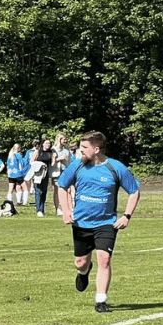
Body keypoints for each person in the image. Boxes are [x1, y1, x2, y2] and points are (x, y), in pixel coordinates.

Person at [57, 131, 142, 313]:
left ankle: (101, 300)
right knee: (80, 262)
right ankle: (83, 272)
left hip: (106, 223)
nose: (81, 151)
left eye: (84, 148)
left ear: (96, 149)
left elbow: (134, 191)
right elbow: (61, 187)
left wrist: (126, 216)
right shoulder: (77, 166)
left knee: (104, 259)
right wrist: (66, 211)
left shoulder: (116, 167)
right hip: (81, 223)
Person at [30, 139, 54, 216]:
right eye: (46, 143)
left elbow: (52, 164)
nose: (48, 145)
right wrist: (40, 164)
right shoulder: (38, 152)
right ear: (42, 144)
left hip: (46, 173)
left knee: (44, 191)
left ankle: (42, 209)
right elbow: (31, 161)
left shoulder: (50, 153)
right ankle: (39, 210)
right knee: (38, 191)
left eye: (49, 143)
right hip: (38, 173)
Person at [50, 134, 73, 212]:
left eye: (66, 139)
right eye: (64, 139)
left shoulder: (67, 151)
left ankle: (67, 208)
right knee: (57, 190)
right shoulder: (53, 149)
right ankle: (58, 208)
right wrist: (59, 159)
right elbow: (51, 162)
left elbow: (69, 162)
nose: (65, 141)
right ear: (59, 140)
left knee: (68, 190)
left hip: (65, 171)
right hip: (56, 171)